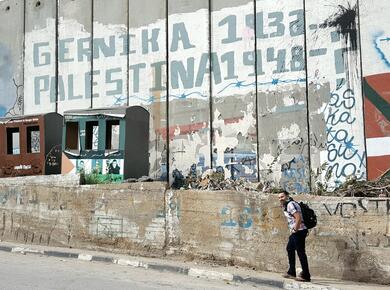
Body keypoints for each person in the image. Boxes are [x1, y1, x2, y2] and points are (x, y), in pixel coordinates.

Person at [278, 190, 311, 282]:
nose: (280, 199)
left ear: (287, 196)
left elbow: (298, 218)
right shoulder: (288, 204)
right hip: (296, 232)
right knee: (289, 248)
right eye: (279, 197)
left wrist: (295, 230)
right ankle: (291, 271)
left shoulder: (290, 205)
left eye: (282, 197)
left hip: (299, 231)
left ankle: (306, 275)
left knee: (301, 253)